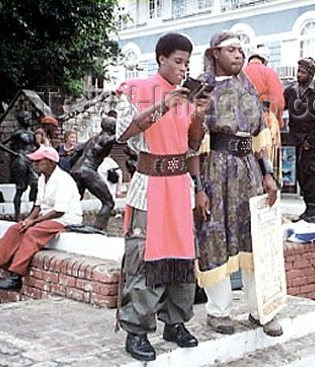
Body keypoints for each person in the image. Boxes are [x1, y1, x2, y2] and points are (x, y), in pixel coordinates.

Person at [114, 33, 206, 362]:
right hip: (149, 183)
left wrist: (199, 114)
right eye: (178, 61)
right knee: (144, 256)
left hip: (180, 183)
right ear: (161, 59)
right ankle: (136, 330)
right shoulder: (137, 90)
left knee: (182, 256)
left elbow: (192, 146)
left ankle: (175, 322)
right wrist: (164, 104)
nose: (183, 69)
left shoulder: (188, 97)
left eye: (187, 63)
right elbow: (124, 132)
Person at [193, 31, 280, 338]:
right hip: (215, 170)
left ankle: (262, 310)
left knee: (255, 239)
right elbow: (194, 144)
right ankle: (218, 312)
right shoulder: (202, 89)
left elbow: (259, 135)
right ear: (215, 53)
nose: (239, 55)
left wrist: (268, 173)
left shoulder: (248, 88)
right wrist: (199, 188)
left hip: (249, 173)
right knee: (214, 236)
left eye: (241, 51)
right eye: (231, 50)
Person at [0, 146, 82, 290]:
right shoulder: (42, 179)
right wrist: (28, 220)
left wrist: (34, 221)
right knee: (16, 228)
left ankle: (16, 276)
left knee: (32, 232)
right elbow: (38, 205)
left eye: (38, 161)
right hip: (46, 216)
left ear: (50, 162)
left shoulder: (63, 180)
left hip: (65, 218)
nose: (34, 164)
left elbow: (58, 211)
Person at [284, 57, 315, 223]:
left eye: (302, 72)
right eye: (298, 71)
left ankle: (314, 210)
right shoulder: (291, 91)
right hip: (295, 142)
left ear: (311, 75)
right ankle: (307, 209)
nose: (298, 75)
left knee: (311, 175)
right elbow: (278, 104)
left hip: (312, 145)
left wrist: (311, 141)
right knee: (300, 176)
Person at [244, 45, 285, 183]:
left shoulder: (240, 74)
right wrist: (278, 121)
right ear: (265, 60)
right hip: (265, 121)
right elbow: (277, 101)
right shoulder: (268, 72)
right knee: (266, 161)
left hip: (241, 124)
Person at [69, 117, 117, 230]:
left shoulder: (92, 139)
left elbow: (76, 151)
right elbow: (117, 138)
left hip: (76, 170)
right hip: (87, 170)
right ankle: (98, 229)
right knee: (109, 203)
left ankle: (66, 222)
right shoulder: (106, 139)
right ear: (111, 127)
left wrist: (73, 168)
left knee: (75, 200)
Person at [0, 111, 39, 221]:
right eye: (26, 118)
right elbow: (1, 144)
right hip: (20, 160)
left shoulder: (31, 134)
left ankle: (32, 213)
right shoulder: (17, 133)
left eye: (28, 118)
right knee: (20, 188)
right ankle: (17, 215)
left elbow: (38, 146)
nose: (28, 120)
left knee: (36, 182)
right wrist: (15, 154)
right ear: (21, 120)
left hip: (30, 160)